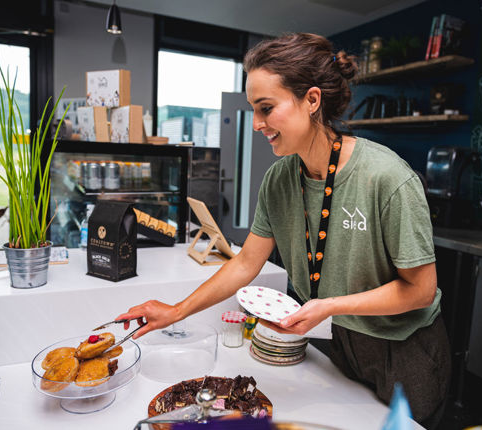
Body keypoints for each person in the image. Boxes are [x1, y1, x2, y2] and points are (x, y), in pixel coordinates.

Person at [116, 32, 451, 428]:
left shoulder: (386, 178)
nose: (257, 124)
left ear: (312, 100)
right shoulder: (279, 179)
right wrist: (176, 311)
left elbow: (420, 289)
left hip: (405, 353)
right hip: (340, 345)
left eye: (266, 108)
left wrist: (330, 306)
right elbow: (245, 263)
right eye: (253, 110)